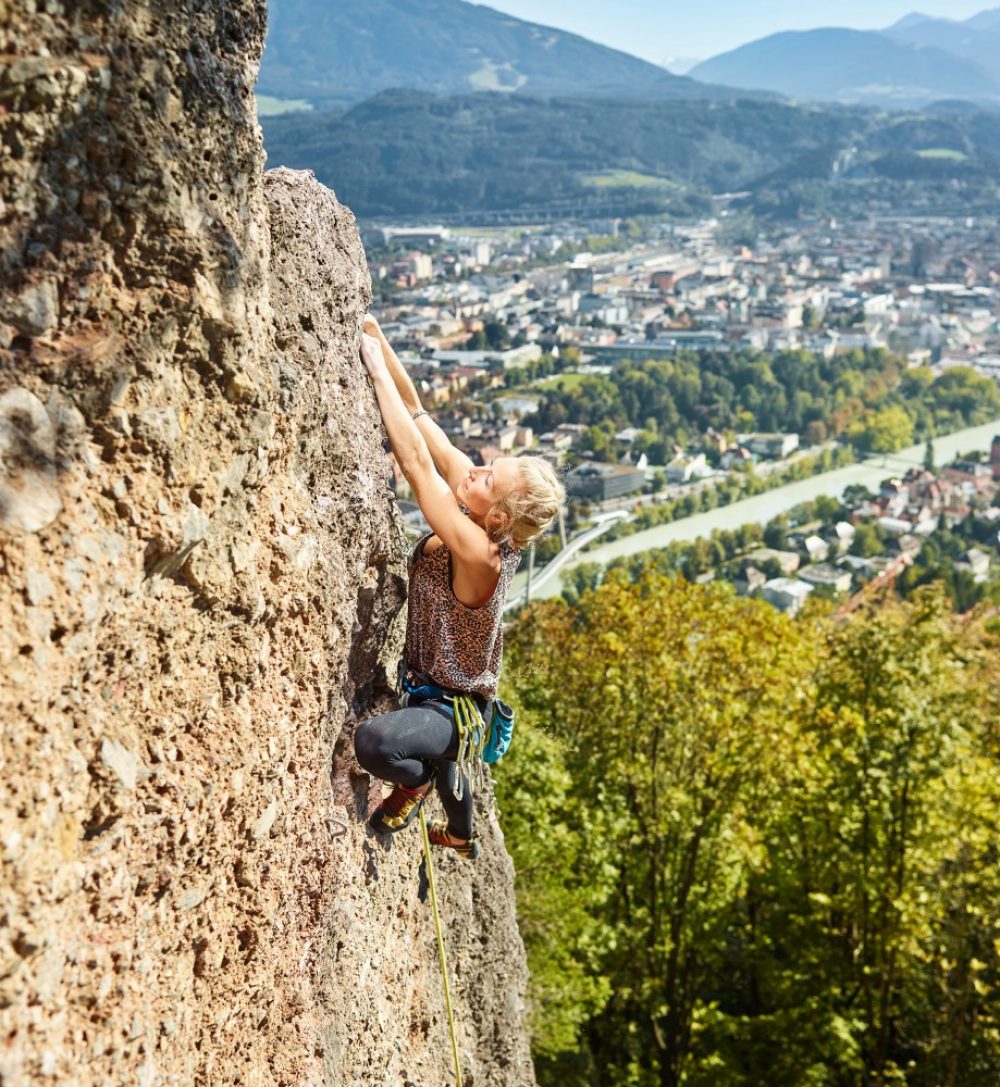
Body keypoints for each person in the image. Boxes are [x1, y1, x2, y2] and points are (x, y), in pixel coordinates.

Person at [353, 316, 564, 859]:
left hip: (448, 706)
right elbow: (422, 417)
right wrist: (380, 340)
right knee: (448, 757)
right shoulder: (480, 509)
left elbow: (418, 464)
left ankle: (413, 786)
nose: (472, 473)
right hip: (450, 692)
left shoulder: (480, 552)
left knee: (377, 744)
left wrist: (373, 371)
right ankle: (463, 833)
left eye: (487, 479)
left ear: (497, 518)